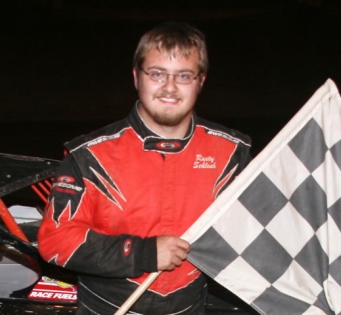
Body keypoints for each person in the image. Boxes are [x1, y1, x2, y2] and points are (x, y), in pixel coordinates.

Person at [38, 21, 252, 315]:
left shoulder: (231, 152)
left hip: (190, 306)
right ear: (137, 77)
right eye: (157, 73)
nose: (169, 87)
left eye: (184, 76)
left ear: (201, 81)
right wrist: (144, 253)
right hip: (110, 307)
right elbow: (56, 241)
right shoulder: (89, 154)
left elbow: (249, 229)